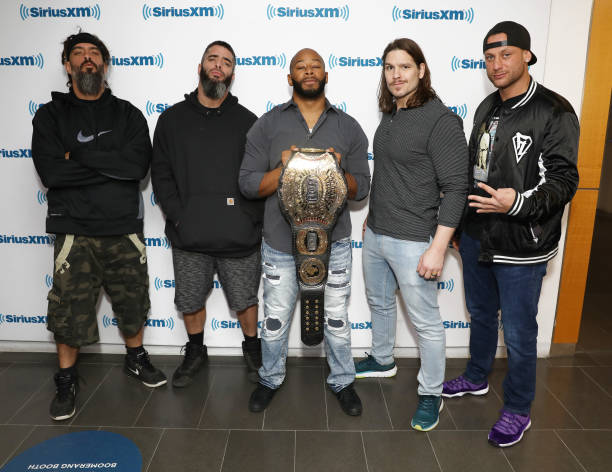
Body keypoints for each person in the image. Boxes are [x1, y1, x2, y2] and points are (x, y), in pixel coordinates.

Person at [441, 21, 579, 447]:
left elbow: (563, 181)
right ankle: (478, 377)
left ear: (527, 56)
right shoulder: (486, 108)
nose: (495, 64)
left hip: (523, 243)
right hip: (480, 237)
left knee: (518, 334)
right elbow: (472, 172)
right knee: (481, 315)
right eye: (488, 56)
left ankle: (518, 409)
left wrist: (515, 203)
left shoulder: (554, 110)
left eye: (505, 54)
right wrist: (463, 228)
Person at [31, 32, 167, 421]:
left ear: (105, 64)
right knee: (68, 310)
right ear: (67, 64)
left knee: (132, 302)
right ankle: (67, 377)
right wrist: (105, 163)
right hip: (74, 231)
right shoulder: (50, 116)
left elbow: (135, 169)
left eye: (94, 54)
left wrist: (78, 156)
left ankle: (135, 357)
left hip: (124, 228)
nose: (87, 59)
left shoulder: (128, 115)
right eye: (79, 54)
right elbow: (52, 171)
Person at [239, 48, 371, 416]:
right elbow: (248, 184)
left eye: (316, 66)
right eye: (301, 66)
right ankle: (270, 377)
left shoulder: (348, 127)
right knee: (276, 317)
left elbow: (363, 186)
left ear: (326, 75)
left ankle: (343, 379)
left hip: (336, 245)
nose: (309, 71)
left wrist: (335, 172)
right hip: (281, 243)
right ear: (289, 77)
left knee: (337, 318)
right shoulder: (266, 124)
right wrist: (285, 170)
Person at [353, 39, 469, 431]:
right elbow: (393, 175)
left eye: (404, 66)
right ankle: (383, 359)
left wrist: (438, 247)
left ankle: (431, 393)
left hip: (416, 239)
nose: (396, 75)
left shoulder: (441, 120)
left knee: (427, 324)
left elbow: (456, 187)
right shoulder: (391, 115)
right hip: (377, 233)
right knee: (379, 303)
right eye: (389, 67)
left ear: (421, 69)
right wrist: (372, 217)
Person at [151, 41, 263, 387]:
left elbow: (259, 176)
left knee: (245, 299)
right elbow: (161, 173)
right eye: (213, 59)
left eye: (226, 62)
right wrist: (178, 215)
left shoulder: (249, 121)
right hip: (190, 233)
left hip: (238, 234)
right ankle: (195, 350)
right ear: (200, 66)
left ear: (232, 73)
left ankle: (252, 348)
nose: (219, 66)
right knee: (190, 298)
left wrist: (250, 219)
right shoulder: (171, 119)